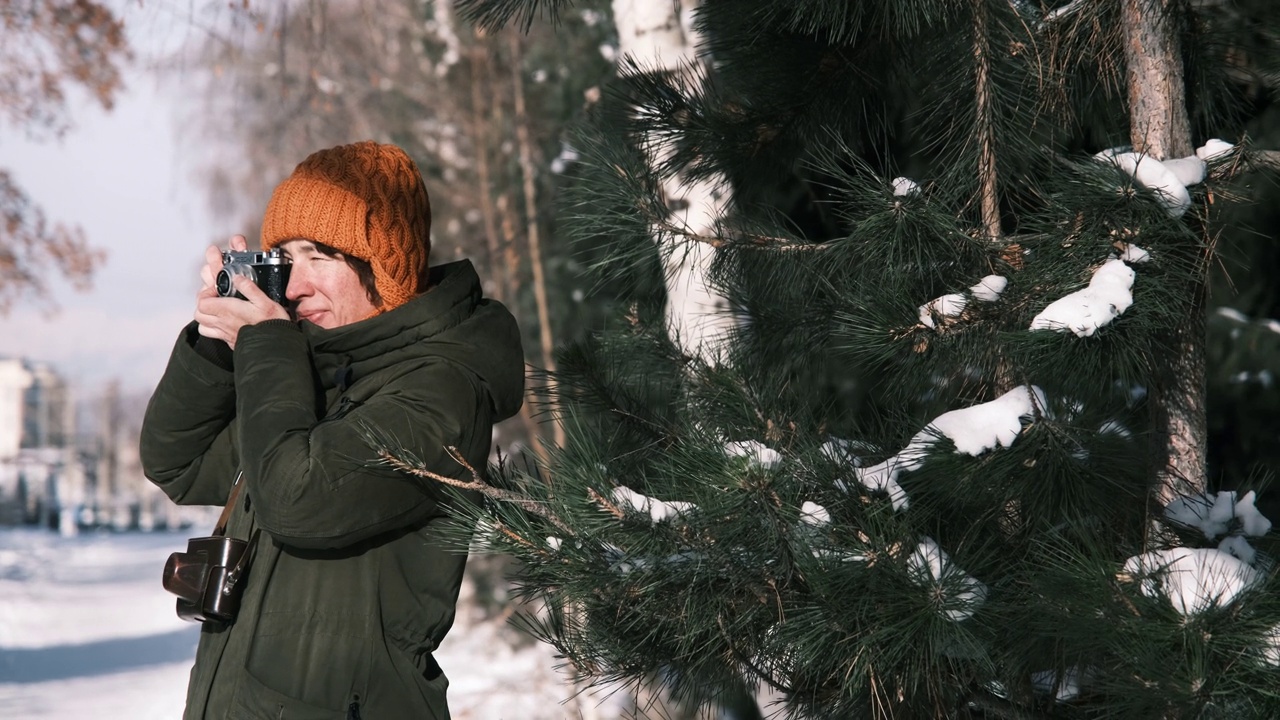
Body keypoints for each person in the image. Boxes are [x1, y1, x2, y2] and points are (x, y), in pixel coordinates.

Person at [140, 140, 525, 719]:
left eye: (321, 257)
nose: (295, 286)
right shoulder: (314, 375)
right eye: (287, 259)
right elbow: (179, 462)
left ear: (386, 267)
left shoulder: (443, 390)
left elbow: (299, 499)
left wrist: (265, 345)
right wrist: (220, 350)